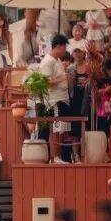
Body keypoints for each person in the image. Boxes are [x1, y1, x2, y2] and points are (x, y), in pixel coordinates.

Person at [39, 34, 70, 164]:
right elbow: (46, 82)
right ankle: (55, 157)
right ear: (57, 46)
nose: (65, 51)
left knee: (61, 129)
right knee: (55, 129)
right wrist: (62, 79)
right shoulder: (48, 61)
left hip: (61, 99)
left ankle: (57, 156)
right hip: (53, 101)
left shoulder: (56, 60)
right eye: (64, 48)